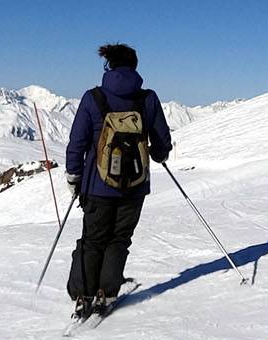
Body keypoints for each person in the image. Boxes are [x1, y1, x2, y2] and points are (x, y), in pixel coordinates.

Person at [63, 43, 173, 319]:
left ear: (108, 66)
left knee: (93, 240)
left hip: (97, 186)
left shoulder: (93, 98)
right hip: (134, 187)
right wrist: (160, 155)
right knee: (119, 238)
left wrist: (74, 177)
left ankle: (83, 295)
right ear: (135, 67)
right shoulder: (147, 99)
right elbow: (161, 141)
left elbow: (76, 142)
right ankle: (107, 293)